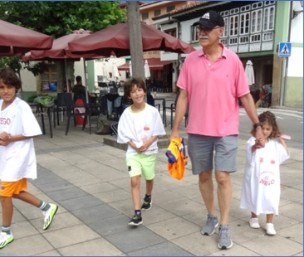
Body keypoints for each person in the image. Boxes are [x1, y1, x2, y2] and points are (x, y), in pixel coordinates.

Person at [170, 10, 264, 250]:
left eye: (207, 28)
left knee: (222, 177)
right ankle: (211, 215)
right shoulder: (190, 60)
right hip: (198, 130)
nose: (201, 32)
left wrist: (257, 126)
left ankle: (224, 225)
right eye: (199, 28)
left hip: (225, 130)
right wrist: (175, 130)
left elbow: (244, 96)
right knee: (203, 175)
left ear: (220, 32)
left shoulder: (232, 61)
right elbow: (183, 95)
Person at [0, 68, 58, 250]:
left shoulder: (21, 107)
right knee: (14, 192)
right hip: (6, 157)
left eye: (9, 86)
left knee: (4, 195)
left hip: (19, 157)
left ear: (16, 87)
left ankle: (6, 232)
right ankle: (46, 207)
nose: (5, 91)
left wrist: (10, 138)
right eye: (2, 87)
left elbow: (33, 132)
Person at [117, 78, 166, 226]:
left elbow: (157, 132)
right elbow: (123, 134)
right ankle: (137, 213)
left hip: (149, 151)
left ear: (144, 91)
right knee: (134, 180)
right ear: (128, 95)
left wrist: (146, 144)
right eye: (133, 91)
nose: (137, 94)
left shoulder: (153, 112)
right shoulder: (126, 113)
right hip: (133, 153)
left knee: (149, 178)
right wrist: (135, 146)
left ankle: (148, 197)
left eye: (139, 90)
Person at [240, 111, 289, 236]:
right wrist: (255, 146)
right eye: (263, 128)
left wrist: (281, 139)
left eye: (268, 129)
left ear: (273, 129)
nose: (265, 131)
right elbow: (250, 152)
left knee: (271, 197)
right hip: (256, 177)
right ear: (257, 127)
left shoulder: (274, 144)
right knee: (254, 194)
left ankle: (269, 223)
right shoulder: (252, 141)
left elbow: (284, 154)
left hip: (271, 178)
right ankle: (254, 217)